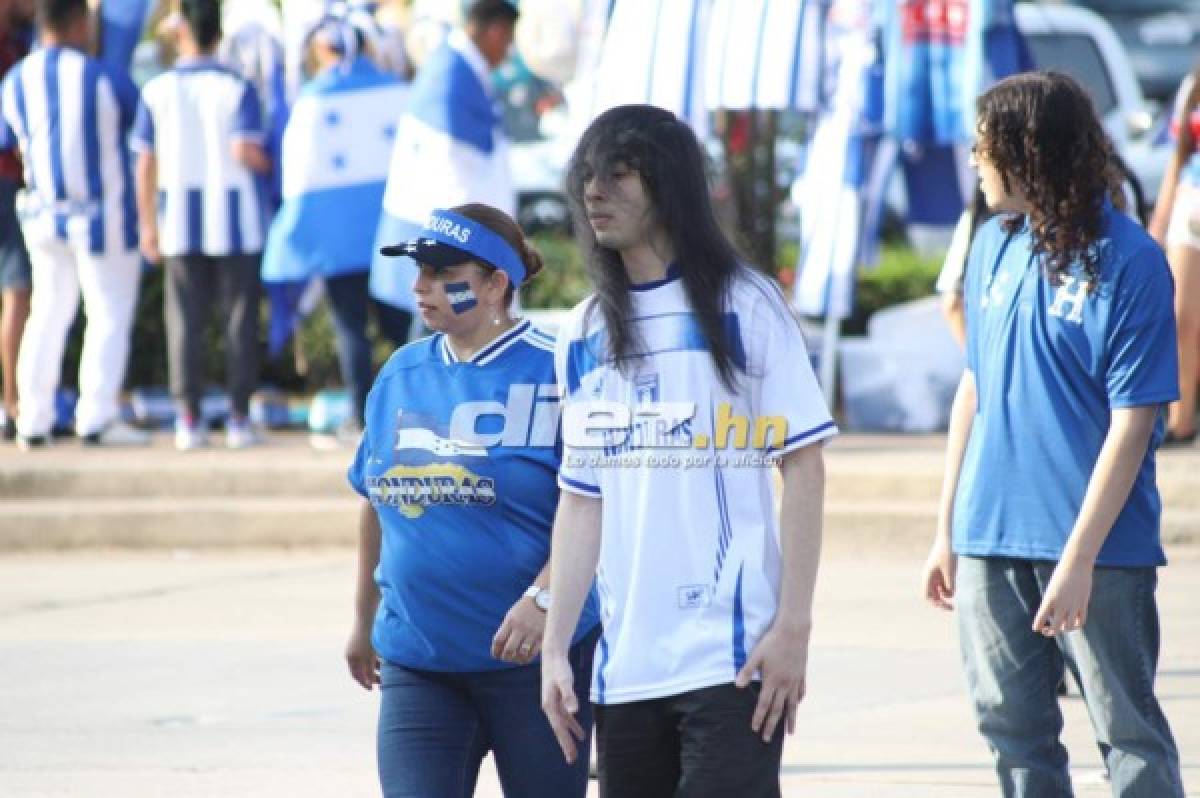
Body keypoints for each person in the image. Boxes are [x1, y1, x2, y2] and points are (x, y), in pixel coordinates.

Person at [540, 104, 836, 797]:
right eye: (587, 176)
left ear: (669, 186)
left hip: (731, 664)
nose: (594, 193)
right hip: (625, 670)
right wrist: (557, 648)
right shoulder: (583, 332)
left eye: (618, 174)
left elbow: (804, 468)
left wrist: (793, 627)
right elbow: (583, 502)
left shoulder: (746, 306)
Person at [921, 71, 1186, 797]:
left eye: (985, 146)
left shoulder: (1129, 260)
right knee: (1011, 734)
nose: (975, 159)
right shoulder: (991, 244)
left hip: (1096, 549)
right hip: (988, 535)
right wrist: (946, 528)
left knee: (1125, 732)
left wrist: (1079, 559)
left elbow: (1136, 423)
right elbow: (973, 387)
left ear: (1029, 151)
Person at [344, 203, 601, 798]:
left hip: (535, 663)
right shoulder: (400, 373)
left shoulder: (562, 368)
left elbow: (598, 504)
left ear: (495, 284)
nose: (420, 288)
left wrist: (543, 600)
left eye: (441, 273)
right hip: (419, 659)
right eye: (418, 272)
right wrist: (363, 622)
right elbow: (374, 501)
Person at [0, 0, 149, 449]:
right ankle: (97, 417)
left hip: (43, 216)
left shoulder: (14, 81)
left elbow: (9, 144)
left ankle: (33, 418)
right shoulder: (102, 76)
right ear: (79, 24)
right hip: (104, 217)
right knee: (106, 314)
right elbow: (139, 130)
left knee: (47, 313)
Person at [261, 14, 412, 447]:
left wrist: (297, 235)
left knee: (351, 331)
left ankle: (363, 420)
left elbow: (297, 180)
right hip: (391, 232)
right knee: (401, 326)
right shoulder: (397, 91)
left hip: (335, 241)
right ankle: (421, 409)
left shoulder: (312, 98)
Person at [133, 0, 271, 451]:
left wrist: (146, 224)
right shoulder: (237, 86)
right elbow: (244, 151)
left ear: (182, 31)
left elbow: (145, 164)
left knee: (185, 322)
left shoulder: (157, 90)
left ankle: (188, 418)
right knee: (239, 322)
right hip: (238, 221)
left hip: (178, 221)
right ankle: (237, 416)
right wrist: (273, 165)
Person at [369, 0, 517, 321]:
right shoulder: (452, 76)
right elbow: (455, 179)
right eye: (508, 40)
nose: (509, 51)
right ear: (495, 31)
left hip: (450, 243)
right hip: (448, 245)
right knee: (440, 340)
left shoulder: (458, 67)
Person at [1149, 62, 1200, 446]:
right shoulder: (1192, 84)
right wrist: (1160, 220)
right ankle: (1181, 419)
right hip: (1191, 203)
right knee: (1181, 316)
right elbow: (1177, 157)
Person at [0, 0, 33, 442]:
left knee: (16, 292)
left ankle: (11, 400)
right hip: (5, 179)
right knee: (17, 291)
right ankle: (10, 400)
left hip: (10, 179)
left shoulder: (19, 46)